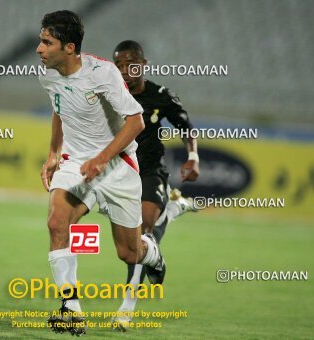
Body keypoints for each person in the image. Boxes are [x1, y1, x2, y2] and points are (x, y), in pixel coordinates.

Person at [36, 11, 167, 336]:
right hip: (76, 163)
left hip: (118, 167)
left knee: (129, 252)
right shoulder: (47, 74)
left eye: (46, 42)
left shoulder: (103, 73)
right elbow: (59, 107)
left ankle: (153, 254)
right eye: (40, 40)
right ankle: (72, 309)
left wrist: (102, 159)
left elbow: (135, 121)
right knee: (57, 222)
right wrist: (53, 154)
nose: (39, 49)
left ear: (69, 48)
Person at [111, 40, 200, 331]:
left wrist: (192, 157)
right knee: (133, 244)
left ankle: (126, 310)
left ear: (143, 64)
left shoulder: (160, 96)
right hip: (118, 175)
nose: (125, 70)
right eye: (119, 65)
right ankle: (174, 209)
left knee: (141, 235)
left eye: (130, 63)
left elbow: (185, 125)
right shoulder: (108, 93)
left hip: (150, 172)